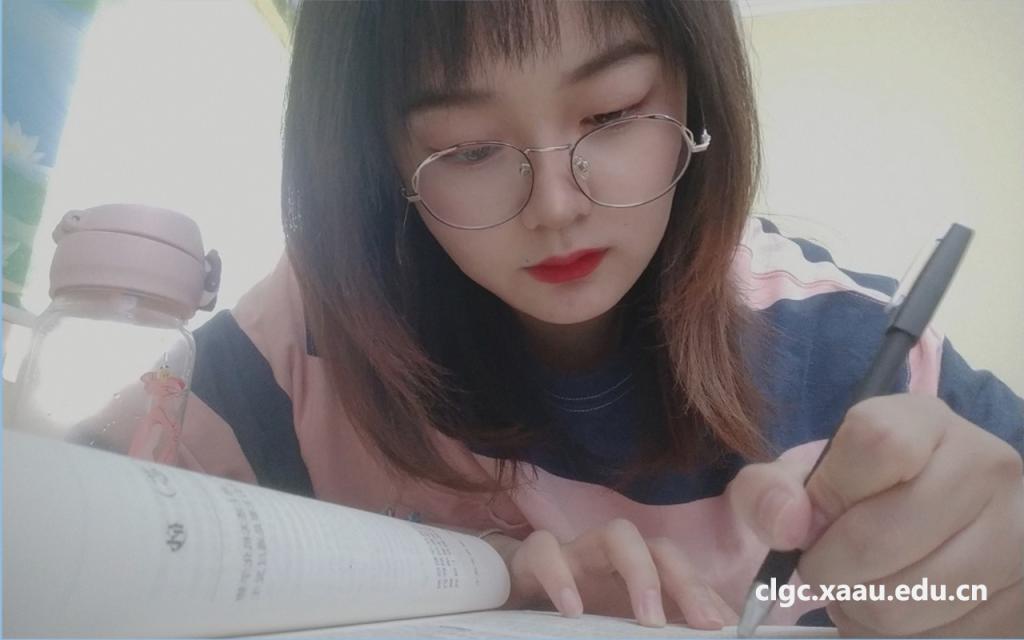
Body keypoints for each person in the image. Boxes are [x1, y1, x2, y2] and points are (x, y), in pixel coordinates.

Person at [172, 1, 1023, 635]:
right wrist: (477, 581)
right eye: (467, 147)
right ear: (380, 158)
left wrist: (975, 596)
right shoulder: (305, 341)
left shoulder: (861, 352)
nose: (556, 206)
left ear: (694, 90)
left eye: (612, 112)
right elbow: (106, 537)